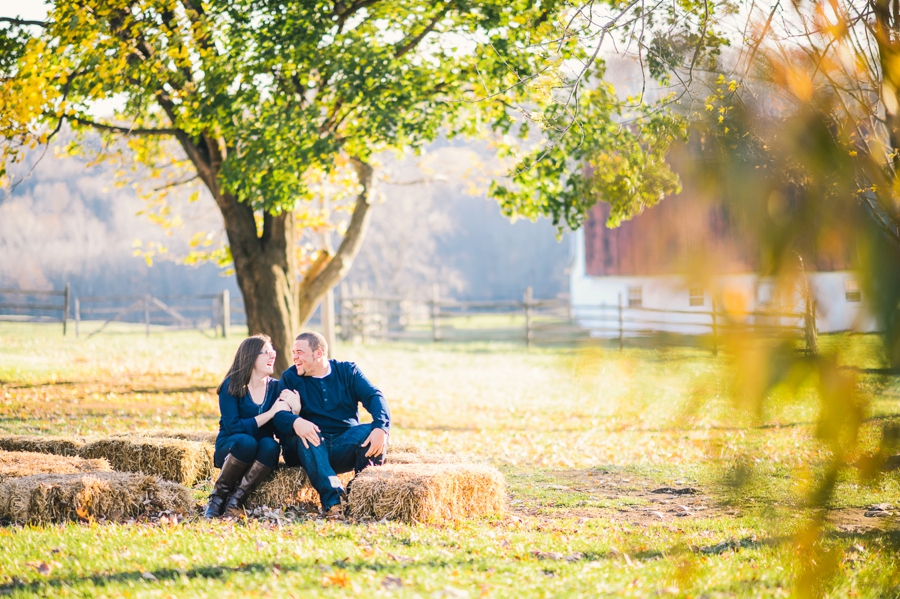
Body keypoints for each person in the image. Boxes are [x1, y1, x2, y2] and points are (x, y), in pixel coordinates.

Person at [273, 331, 390, 519]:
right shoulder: (290, 378)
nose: (295, 357)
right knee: (308, 433)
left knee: (373, 430)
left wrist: (381, 427)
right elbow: (278, 416)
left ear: (318, 353)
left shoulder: (347, 371)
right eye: (293, 352)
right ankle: (334, 503)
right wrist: (296, 422)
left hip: (343, 443)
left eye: (300, 352)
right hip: (308, 447)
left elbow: (374, 396)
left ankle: (360, 497)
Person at [205, 334, 292, 519]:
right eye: (267, 352)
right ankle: (217, 498)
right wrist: (270, 413)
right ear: (251, 356)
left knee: (271, 445)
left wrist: (295, 409)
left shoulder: (276, 388)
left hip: (262, 453)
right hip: (232, 448)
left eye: (273, 351)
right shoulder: (231, 386)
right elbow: (233, 427)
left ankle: (236, 500)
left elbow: (280, 429)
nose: (273, 355)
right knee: (246, 442)